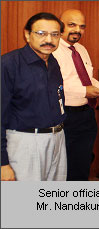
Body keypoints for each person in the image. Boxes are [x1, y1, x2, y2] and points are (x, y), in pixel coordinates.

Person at [1, 12, 67, 181]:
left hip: (57, 138)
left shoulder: (53, 62)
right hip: (26, 142)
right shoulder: (8, 64)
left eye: (55, 34)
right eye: (41, 33)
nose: (49, 40)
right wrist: (2, 162)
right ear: (27, 35)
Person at [53, 9, 99, 181]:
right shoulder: (52, 49)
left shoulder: (80, 49)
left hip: (85, 113)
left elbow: (86, 77)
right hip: (64, 115)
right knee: (65, 164)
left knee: (82, 161)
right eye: (72, 25)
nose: (77, 30)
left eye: (82, 26)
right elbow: (55, 84)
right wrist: (86, 91)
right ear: (60, 25)